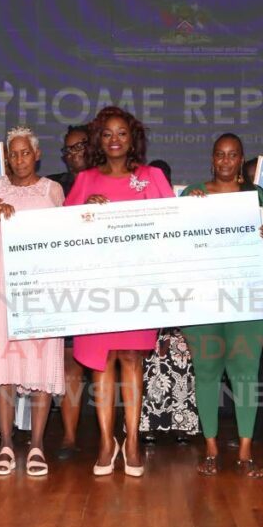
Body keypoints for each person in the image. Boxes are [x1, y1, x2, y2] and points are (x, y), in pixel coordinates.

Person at [63, 106, 173, 477]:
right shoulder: (84, 181)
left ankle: (134, 441)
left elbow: (174, 225)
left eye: (122, 133)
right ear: (99, 139)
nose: (115, 140)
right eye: (107, 133)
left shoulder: (151, 176)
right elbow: (59, 233)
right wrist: (82, 214)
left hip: (138, 286)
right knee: (101, 363)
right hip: (94, 287)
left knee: (131, 360)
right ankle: (107, 441)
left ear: (133, 138)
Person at [182, 134, 263, 478]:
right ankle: (210, 447)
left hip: (247, 300)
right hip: (202, 301)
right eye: (220, 155)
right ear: (212, 159)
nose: (225, 161)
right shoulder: (193, 194)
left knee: (244, 373)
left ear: (241, 161)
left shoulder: (257, 197)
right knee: (206, 372)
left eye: (233, 155)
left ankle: (246, 450)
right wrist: (187, 211)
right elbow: (177, 243)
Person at [0, 126, 65, 476]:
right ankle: (8, 445)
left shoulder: (52, 190)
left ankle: (38, 445)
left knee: (41, 367)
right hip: (0, 289)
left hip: (41, 290)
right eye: (14, 154)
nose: (20, 159)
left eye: (26, 153)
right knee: (4, 369)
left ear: (37, 155)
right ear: (7, 158)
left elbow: (65, 238)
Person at [140, 160, 200, 446]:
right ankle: (149, 425)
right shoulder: (136, 212)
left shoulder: (182, 210)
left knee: (180, 358)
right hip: (145, 301)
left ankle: (182, 425)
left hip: (177, 297)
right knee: (150, 363)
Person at [48, 124, 89, 460]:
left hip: (103, 285)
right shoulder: (52, 186)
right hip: (64, 284)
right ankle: (69, 437)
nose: (74, 154)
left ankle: (113, 436)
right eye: (68, 150)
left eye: (80, 147)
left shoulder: (109, 179)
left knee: (110, 363)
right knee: (69, 364)